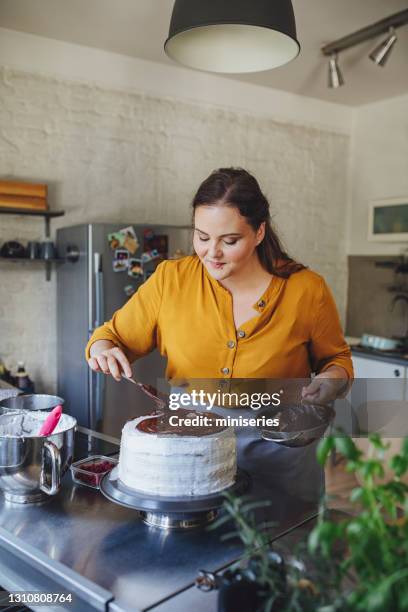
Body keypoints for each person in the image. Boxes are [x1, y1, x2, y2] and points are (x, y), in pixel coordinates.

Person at [86, 168, 353, 501]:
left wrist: (330, 381)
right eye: (201, 237)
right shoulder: (172, 280)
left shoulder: (306, 289)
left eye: (229, 241)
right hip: (191, 451)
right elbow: (111, 336)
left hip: (278, 450)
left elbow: (336, 359)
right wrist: (102, 348)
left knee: (282, 546)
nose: (211, 253)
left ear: (259, 233)